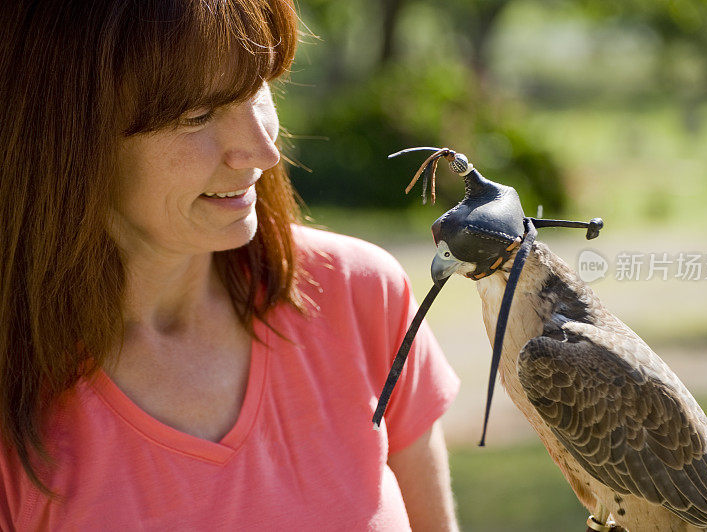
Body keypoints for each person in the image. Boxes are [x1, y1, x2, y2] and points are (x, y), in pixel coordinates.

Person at [0, 1, 460, 529]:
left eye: (259, 87)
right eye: (197, 115)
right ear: (62, 135)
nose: (264, 150)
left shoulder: (362, 296)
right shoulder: (18, 404)